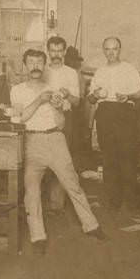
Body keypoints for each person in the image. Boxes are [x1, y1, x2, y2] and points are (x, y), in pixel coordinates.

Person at [11, 49, 108, 255]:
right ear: (25, 65)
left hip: (56, 139)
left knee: (72, 184)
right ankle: (38, 237)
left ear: (44, 65)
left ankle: (91, 226)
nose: (35, 66)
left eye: (39, 62)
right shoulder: (17, 90)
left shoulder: (53, 89)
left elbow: (62, 123)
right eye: (31, 62)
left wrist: (58, 108)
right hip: (30, 141)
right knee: (32, 191)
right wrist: (40, 100)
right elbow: (19, 118)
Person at [88, 37, 140, 214]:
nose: (111, 53)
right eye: (107, 49)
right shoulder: (99, 72)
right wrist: (96, 94)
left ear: (119, 49)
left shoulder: (129, 69)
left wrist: (128, 95)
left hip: (124, 113)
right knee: (109, 159)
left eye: (114, 49)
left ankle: (132, 201)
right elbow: (90, 99)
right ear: (103, 51)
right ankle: (114, 200)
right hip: (105, 113)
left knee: (127, 158)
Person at [42, 36, 81, 212]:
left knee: (63, 160)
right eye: (53, 50)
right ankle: (42, 201)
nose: (56, 54)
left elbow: (77, 102)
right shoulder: (41, 70)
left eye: (59, 51)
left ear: (64, 52)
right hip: (43, 118)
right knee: (42, 158)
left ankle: (56, 204)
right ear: (48, 51)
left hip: (66, 118)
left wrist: (67, 95)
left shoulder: (71, 73)